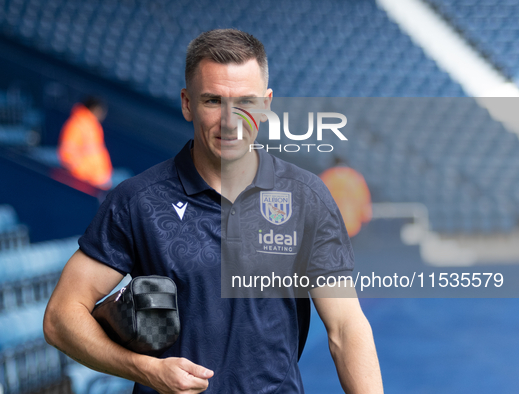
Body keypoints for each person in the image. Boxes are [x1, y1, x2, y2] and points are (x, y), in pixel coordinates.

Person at [44, 29, 383, 393]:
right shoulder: (138, 200)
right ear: (187, 103)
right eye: (212, 101)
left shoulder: (306, 197)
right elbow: (61, 317)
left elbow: (346, 328)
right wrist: (144, 369)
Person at [57, 96, 113, 190]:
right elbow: (67, 155)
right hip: (86, 182)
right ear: (95, 109)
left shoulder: (93, 126)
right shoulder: (77, 124)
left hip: (98, 182)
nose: (103, 115)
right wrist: (87, 177)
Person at [320, 157, 372, 237]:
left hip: (331, 224)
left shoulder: (327, 176)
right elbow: (363, 199)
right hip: (351, 223)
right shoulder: (354, 177)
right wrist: (365, 217)